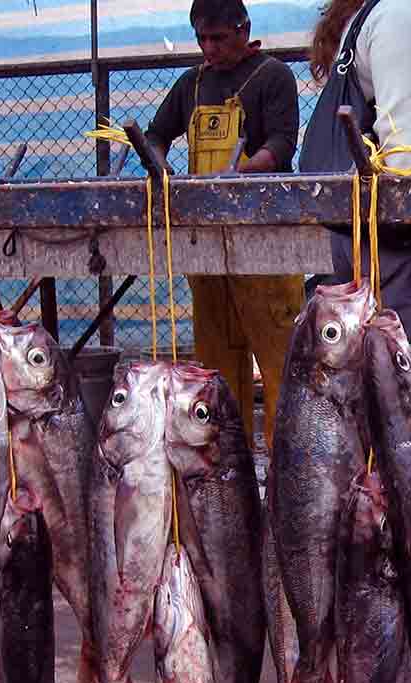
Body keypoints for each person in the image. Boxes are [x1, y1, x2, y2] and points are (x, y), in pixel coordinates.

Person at [144, 0, 302, 448]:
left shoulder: (273, 76)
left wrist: (246, 172)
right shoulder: (191, 84)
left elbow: (283, 143)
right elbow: (157, 136)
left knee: (280, 367)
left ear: (243, 29)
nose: (209, 48)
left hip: (264, 243)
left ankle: (283, 471)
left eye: (219, 38)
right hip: (206, 248)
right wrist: (162, 172)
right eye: (201, 39)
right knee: (215, 369)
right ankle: (223, 468)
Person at [308, 0, 411, 342]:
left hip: (379, 226)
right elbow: (401, 127)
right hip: (403, 233)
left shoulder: (379, 12)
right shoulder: (400, 11)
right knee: (402, 366)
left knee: (373, 364)